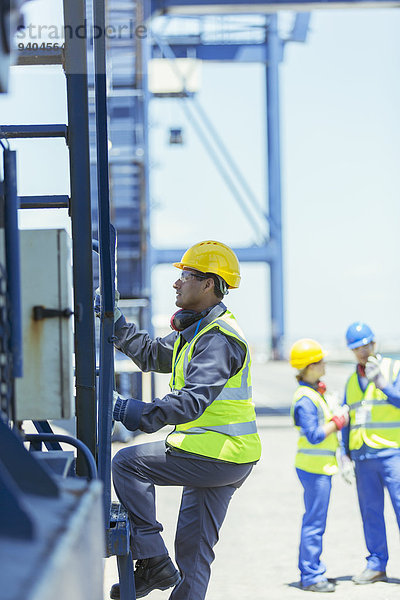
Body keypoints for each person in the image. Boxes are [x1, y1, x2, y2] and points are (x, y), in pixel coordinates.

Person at [107, 240, 262, 600]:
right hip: (225, 454)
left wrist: (129, 412)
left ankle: (153, 561)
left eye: (185, 276)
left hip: (218, 453)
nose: (176, 283)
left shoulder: (218, 340)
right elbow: (149, 353)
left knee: (128, 464)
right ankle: (160, 564)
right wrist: (115, 322)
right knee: (193, 552)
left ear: (209, 283)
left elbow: (192, 402)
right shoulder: (194, 334)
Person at [342, 321, 400, 585]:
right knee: (371, 513)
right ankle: (376, 565)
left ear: (374, 344)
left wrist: (384, 385)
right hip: (363, 457)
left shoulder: (393, 369)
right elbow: (347, 418)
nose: (362, 352)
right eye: (357, 348)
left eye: (365, 345)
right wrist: (344, 453)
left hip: (392, 454)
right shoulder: (351, 381)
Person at [290, 339, 349, 593]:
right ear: (310, 366)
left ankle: (314, 570)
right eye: (321, 360)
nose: (325, 363)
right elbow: (314, 435)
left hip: (319, 467)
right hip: (314, 469)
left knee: (315, 521)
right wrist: (338, 422)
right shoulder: (305, 398)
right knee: (314, 522)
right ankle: (311, 575)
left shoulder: (313, 392)